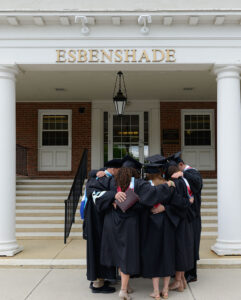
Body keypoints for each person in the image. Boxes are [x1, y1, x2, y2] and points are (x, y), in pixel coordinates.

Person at [93, 155, 175, 300]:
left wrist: (112, 196)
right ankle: (123, 290)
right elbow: (153, 194)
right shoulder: (138, 183)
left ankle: (127, 286)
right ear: (134, 172)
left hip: (111, 222)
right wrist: (167, 185)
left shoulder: (112, 181)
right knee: (127, 255)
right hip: (128, 223)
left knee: (118, 253)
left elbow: (93, 191)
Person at [141, 163, 188, 300]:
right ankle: (166, 290)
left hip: (152, 225)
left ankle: (156, 292)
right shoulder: (170, 185)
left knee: (154, 257)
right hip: (168, 223)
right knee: (167, 254)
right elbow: (178, 204)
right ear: (161, 172)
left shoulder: (145, 187)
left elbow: (143, 204)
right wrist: (166, 208)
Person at [83, 158, 122, 294]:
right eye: (119, 170)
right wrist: (113, 196)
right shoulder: (100, 178)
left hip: (99, 220)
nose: (119, 173)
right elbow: (92, 193)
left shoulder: (102, 177)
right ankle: (98, 284)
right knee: (97, 249)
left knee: (102, 249)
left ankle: (103, 279)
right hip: (96, 222)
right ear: (113, 169)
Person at [170, 153, 203, 283]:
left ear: (181, 165)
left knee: (192, 244)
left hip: (193, 216)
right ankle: (182, 272)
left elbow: (197, 184)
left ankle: (191, 274)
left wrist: (184, 174)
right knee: (186, 245)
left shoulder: (192, 172)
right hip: (185, 215)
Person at [165, 163, 194, 293]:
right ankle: (181, 280)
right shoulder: (184, 181)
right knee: (182, 249)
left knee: (179, 250)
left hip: (179, 220)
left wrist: (166, 207)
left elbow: (178, 201)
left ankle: (178, 281)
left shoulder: (175, 183)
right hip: (185, 219)